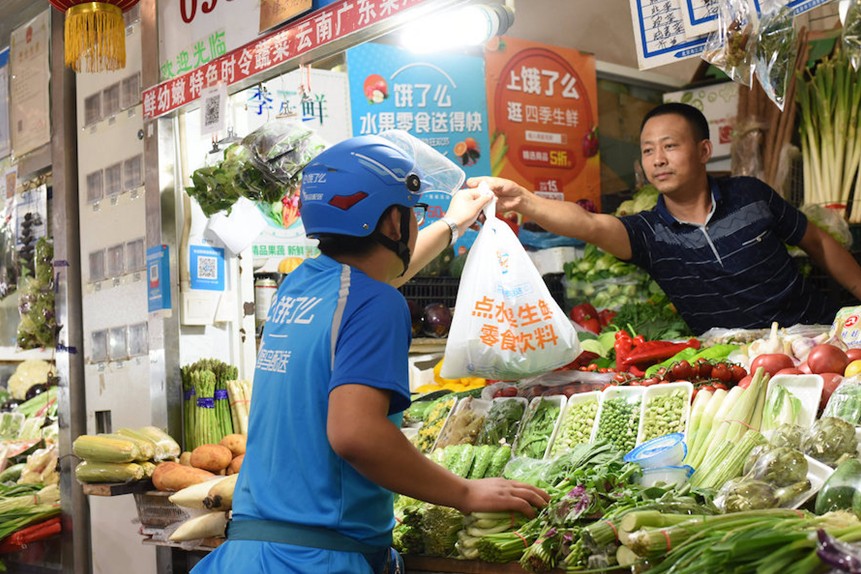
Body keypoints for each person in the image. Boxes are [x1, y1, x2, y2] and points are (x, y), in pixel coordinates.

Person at [191, 133, 549, 574]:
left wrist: (453, 224)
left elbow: (378, 278)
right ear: (394, 225)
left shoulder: (301, 284)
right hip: (318, 559)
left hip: (252, 552)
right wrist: (465, 493)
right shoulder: (375, 302)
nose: (415, 224)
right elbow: (356, 435)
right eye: (412, 213)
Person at [471, 102, 861, 335]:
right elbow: (588, 224)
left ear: (704, 149)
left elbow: (819, 243)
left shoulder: (750, 195)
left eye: (670, 146)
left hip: (820, 335)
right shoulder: (648, 234)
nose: (657, 159)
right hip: (742, 368)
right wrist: (523, 199)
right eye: (647, 150)